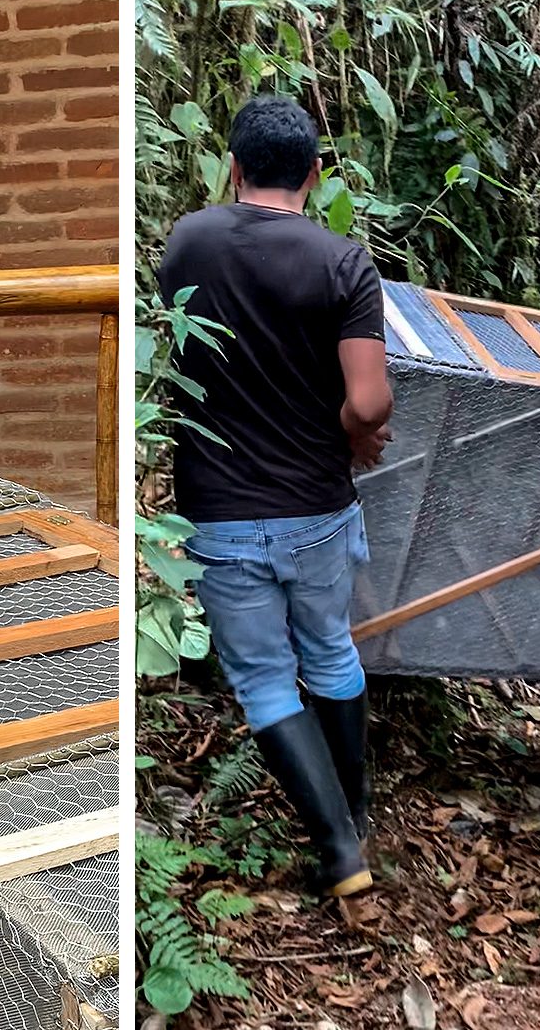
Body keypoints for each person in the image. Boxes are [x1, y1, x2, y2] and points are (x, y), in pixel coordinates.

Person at [158, 96, 393, 897]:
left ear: (233, 165)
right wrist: (355, 434)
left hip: (220, 511)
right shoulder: (344, 262)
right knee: (329, 651)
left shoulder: (188, 242)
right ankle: (354, 812)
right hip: (318, 507)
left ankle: (337, 849)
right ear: (316, 175)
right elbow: (369, 402)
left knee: (262, 679)